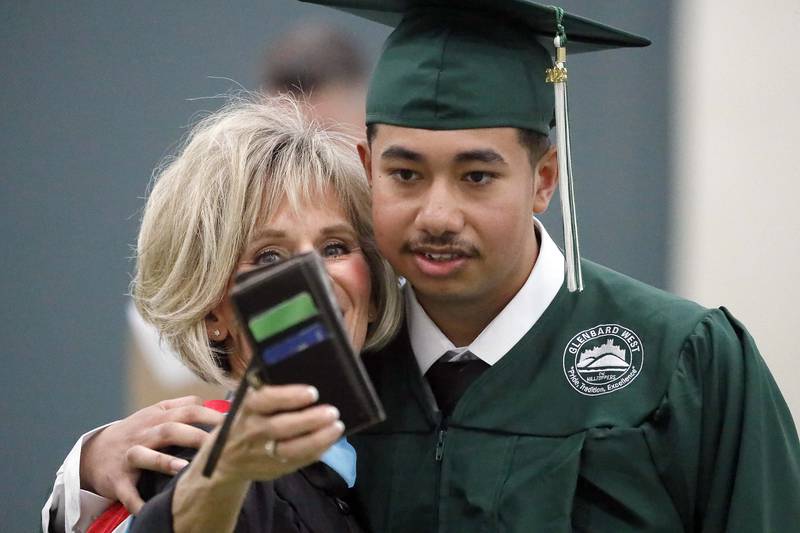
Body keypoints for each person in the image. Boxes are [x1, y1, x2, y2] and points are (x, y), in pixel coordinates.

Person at [47, 1, 800, 531]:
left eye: (476, 175)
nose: (438, 212)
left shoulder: (685, 364)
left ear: (543, 178)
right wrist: (88, 467)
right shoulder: (338, 378)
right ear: (371, 168)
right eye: (406, 174)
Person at [47, 94, 403, 532]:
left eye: (335, 247)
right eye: (270, 257)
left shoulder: (395, 456)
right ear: (214, 314)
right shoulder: (199, 468)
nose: (314, 277)